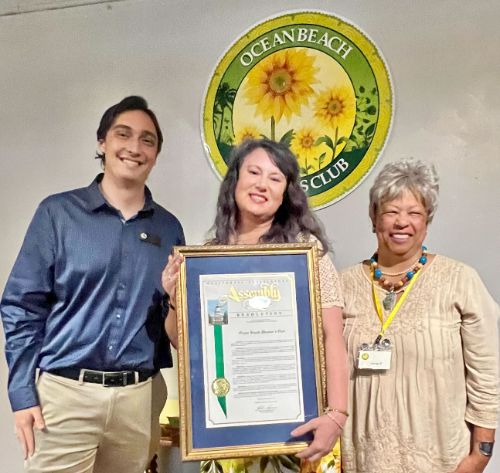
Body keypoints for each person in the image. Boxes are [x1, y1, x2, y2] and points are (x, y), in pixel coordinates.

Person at [1, 96, 185, 472]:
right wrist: (22, 394)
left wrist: (175, 299)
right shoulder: (58, 214)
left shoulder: (169, 229)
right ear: (102, 142)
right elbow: (22, 306)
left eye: (147, 140)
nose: (134, 147)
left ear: (156, 154)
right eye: (123, 134)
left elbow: (173, 325)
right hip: (65, 396)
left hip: (138, 399)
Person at [162, 138, 348, 472]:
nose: (262, 184)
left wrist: (337, 414)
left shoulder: (305, 253)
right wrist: (175, 298)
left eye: (275, 178)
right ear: (236, 180)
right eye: (254, 172)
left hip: (299, 434)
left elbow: (332, 335)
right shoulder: (207, 256)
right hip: (229, 438)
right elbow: (182, 342)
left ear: (286, 192)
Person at [340, 158, 499, 473]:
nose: (402, 222)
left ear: (428, 220)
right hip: (361, 461)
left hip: (442, 461)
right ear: (374, 217)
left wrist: (480, 455)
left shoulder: (460, 280)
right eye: (390, 212)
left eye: (414, 213)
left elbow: (487, 375)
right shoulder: (341, 285)